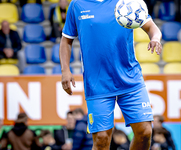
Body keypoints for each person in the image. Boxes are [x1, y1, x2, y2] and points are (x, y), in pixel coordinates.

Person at [59, 0, 162, 149]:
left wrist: (155, 38)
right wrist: (65, 70)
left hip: (130, 79)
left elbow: (152, 27)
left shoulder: (126, 2)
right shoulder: (77, 5)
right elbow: (66, 40)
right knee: (101, 139)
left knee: (145, 132)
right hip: (97, 84)